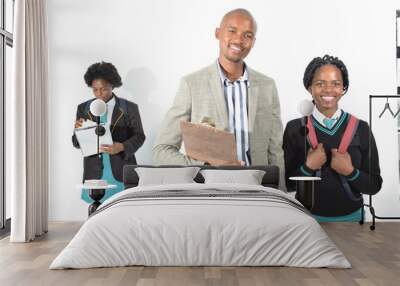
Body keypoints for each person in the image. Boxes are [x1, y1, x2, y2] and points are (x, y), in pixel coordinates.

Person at [152, 8, 284, 182]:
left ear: (253, 42)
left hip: (257, 191)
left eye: (247, 35)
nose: (239, 39)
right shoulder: (192, 85)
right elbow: (161, 150)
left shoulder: (267, 86)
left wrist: (280, 195)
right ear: (218, 33)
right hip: (208, 192)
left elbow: (275, 152)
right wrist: (201, 169)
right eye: (232, 31)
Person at [283, 55, 382, 221]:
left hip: (353, 221)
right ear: (309, 87)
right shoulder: (294, 128)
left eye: (336, 84)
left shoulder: (361, 128)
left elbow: (374, 185)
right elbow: (287, 184)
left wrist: (350, 172)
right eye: (320, 83)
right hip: (306, 222)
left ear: (343, 88)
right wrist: (308, 167)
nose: (328, 90)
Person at [72, 61, 145, 202]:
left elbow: (139, 136)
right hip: (94, 174)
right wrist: (78, 131)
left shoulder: (129, 107)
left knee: (122, 210)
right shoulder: (84, 108)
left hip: (121, 170)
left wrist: (121, 147)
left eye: (104, 89)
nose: (99, 94)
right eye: (95, 90)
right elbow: (76, 143)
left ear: (112, 85)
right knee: (95, 213)